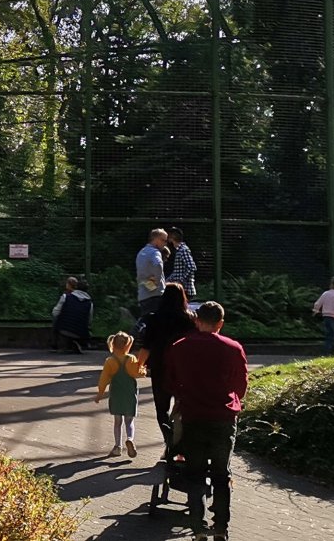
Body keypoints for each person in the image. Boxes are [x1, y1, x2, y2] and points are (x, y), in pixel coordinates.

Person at [167, 302, 249, 541]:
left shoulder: (179, 348)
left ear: (196, 320)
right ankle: (221, 528)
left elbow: (170, 383)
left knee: (195, 474)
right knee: (221, 474)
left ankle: (198, 528)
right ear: (220, 323)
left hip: (193, 416)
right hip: (223, 418)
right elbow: (240, 387)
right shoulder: (233, 348)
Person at [135, 283, 196, 444]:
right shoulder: (189, 319)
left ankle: (169, 441)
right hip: (183, 368)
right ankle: (180, 442)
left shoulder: (153, 318)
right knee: (181, 406)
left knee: (161, 409)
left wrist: (138, 365)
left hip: (160, 367)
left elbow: (146, 346)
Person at [95, 331, 144, 459]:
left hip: (116, 394)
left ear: (113, 344)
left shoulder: (110, 361)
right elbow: (137, 373)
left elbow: (104, 379)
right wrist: (143, 369)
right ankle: (130, 438)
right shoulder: (131, 359)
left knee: (117, 422)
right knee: (129, 421)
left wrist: (100, 393)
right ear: (128, 345)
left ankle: (117, 446)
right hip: (129, 394)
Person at [52, 276, 94, 353]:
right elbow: (89, 320)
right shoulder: (89, 303)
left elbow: (55, 312)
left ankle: (58, 344)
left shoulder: (66, 297)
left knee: (57, 319)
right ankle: (79, 343)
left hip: (64, 328)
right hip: (80, 332)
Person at [135, 229, 169, 320]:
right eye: (164, 240)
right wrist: (157, 283)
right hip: (155, 296)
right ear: (156, 240)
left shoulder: (141, 252)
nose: (165, 243)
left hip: (143, 295)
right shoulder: (155, 252)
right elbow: (158, 264)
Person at [165, 226, 197, 300]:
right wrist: (167, 282)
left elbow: (191, 267)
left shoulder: (183, 250)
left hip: (185, 289)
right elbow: (177, 271)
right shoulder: (179, 250)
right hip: (180, 289)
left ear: (171, 237)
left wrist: (181, 280)